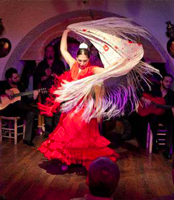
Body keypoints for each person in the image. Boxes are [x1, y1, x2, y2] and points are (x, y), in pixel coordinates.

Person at [38, 29, 119, 170]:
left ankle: (85, 162)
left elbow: (110, 71)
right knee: (67, 133)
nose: (82, 63)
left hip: (85, 107)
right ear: (76, 59)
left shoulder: (92, 69)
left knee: (84, 137)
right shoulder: (73, 65)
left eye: (84, 61)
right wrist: (65, 31)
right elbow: (63, 49)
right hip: (72, 107)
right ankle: (67, 160)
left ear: (89, 60)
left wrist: (121, 61)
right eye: (80, 60)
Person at [0, 67, 39, 147]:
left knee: (30, 113)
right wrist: (5, 90)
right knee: (18, 103)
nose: (18, 78)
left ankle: (27, 140)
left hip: (18, 109)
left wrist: (34, 98)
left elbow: (24, 101)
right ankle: (38, 112)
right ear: (9, 79)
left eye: (18, 77)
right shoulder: (3, 84)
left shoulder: (20, 86)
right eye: (15, 78)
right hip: (6, 109)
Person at [140, 74, 174, 158]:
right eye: (166, 81)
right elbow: (139, 93)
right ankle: (154, 144)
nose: (168, 83)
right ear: (161, 81)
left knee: (172, 123)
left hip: (165, 115)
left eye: (170, 82)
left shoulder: (172, 95)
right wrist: (144, 99)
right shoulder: (153, 89)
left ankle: (167, 149)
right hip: (153, 114)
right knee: (153, 119)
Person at [34, 45, 66, 138]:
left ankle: (57, 132)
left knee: (57, 112)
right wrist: (47, 76)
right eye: (48, 51)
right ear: (45, 53)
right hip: (45, 92)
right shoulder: (41, 65)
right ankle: (48, 133)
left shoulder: (59, 63)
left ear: (54, 52)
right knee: (48, 112)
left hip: (57, 92)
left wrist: (55, 75)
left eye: (51, 51)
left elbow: (64, 78)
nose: (50, 53)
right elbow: (37, 79)